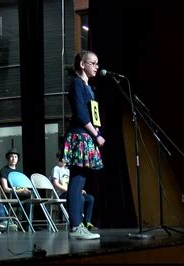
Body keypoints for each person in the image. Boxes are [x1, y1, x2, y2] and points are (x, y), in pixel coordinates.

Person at [62, 50, 104, 240]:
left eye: (97, 63)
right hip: (80, 136)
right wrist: (96, 134)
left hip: (88, 137)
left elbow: (93, 115)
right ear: (82, 64)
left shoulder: (90, 88)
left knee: (82, 181)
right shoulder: (77, 85)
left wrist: (96, 134)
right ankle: (75, 226)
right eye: (92, 63)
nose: (96, 66)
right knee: (77, 180)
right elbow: (81, 113)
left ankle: (78, 225)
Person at [51, 153, 97, 231]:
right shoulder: (56, 169)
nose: (63, 160)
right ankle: (79, 222)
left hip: (71, 192)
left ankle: (87, 222)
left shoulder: (68, 170)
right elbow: (56, 184)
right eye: (61, 158)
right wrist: (71, 191)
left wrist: (78, 190)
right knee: (80, 198)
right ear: (58, 159)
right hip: (62, 194)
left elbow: (74, 184)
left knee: (90, 198)